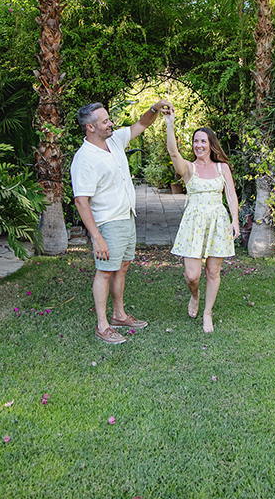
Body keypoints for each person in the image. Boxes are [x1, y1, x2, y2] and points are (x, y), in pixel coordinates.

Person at [71, 99, 172, 344]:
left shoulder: (114, 140)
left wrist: (154, 109)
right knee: (105, 272)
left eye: (108, 118)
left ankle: (119, 315)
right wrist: (97, 238)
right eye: (104, 121)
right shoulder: (84, 159)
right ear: (90, 128)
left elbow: (141, 125)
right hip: (107, 222)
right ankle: (102, 325)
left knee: (122, 267)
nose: (110, 123)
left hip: (127, 217)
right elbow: (81, 202)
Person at [163, 107, 239, 333]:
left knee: (213, 272)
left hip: (218, 221)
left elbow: (231, 195)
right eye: (196, 141)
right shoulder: (188, 168)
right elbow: (174, 154)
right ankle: (194, 295)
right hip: (193, 223)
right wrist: (170, 124)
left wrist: (235, 220)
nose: (199, 145)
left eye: (203, 141)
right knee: (193, 275)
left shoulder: (222, 167)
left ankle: (208, 313)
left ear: (211, 144)